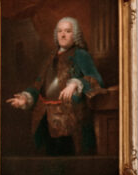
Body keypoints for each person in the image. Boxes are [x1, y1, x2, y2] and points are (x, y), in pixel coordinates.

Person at [7, 17, 103, 156]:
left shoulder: (81, 55)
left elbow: (96, 80)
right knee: (47, 162)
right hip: (45, 117)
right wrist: (25, 98)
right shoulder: (50, 56)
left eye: (68, 31)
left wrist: (76, 84)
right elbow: (39, 85)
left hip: (70, 120)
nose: (63, 35)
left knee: (68, 163)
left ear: (75, 34)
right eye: (60, 31)